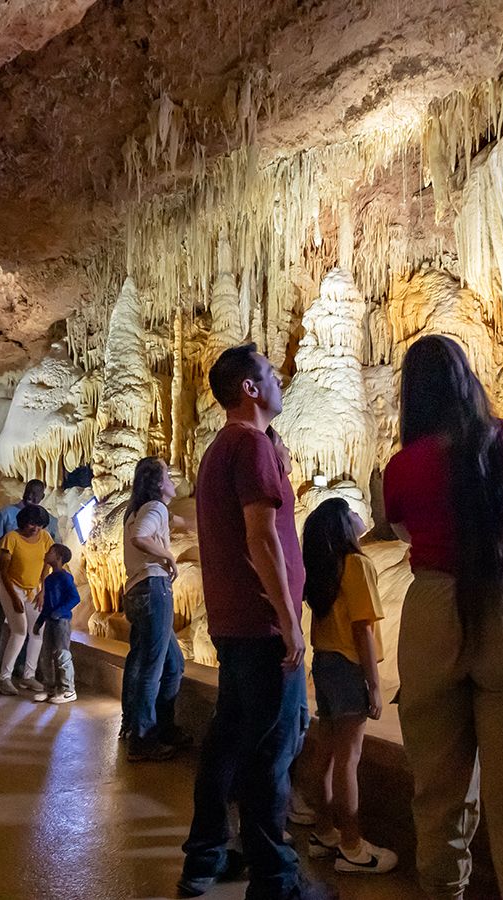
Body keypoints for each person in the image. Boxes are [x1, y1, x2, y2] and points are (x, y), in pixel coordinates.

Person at [383, 293, 503, 900]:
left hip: (435, 615)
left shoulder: (402, 469)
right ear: (468, 386)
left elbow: (409, 536)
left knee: (439, 803)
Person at [179, 344, 333, 900]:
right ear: (249, 387)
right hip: (264, 624)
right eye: (270, 373)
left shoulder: (227, 447)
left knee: (228, 740)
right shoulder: (248, 447)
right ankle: (276, 881)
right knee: (273, 752)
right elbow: (262, 537)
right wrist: (290, 621)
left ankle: (208, 854)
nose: (279, 378)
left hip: (234, 624)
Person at [301, 499, 397, 875]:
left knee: (325, 753)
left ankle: (324, 831)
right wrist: (373, 685)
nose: (361, 514)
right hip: (347, 665)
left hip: (324, 662)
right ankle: (353, 847)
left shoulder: (326, 569)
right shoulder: (356, 564)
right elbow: (363, 629)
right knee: (348, 759)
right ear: (343, 525)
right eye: (353, 511)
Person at [120, 456, 188, 760]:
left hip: (135, 591)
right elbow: (141, 538)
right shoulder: (155, 508)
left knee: (171, 664)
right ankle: (143, 738)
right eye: (168, 475)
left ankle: (147, 725)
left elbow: (174, 522)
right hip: (153, 587)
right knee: (154, 665)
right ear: (158, 483)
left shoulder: (135, 510)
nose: (172, 480)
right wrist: (169, 558)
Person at [0, 481, 58, 679]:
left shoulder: (50, 523)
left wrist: (44, 587)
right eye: (28, 491)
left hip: (32, 584)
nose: (31, 496)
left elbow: (51, 555)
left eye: (36, 493)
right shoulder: (6, 514)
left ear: (42, 496)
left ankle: (22, 667)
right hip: (4, 578)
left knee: (30, 628)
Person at [0, 504, 52, 696]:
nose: (35, 528)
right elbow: (3, 571)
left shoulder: (44, 537)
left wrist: (42, 589)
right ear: (23, 522)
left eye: (39, 525)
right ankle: (4, 677)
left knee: (37, 630)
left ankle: (28, 675)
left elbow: (47, 563)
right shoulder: (11, 539)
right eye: (31, 524)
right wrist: (14, 597)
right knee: (19, 631)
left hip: (33, 589)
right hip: (12, 586)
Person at [30, 543, 81, 705]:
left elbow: (75, 597)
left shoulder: (65, 578)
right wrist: (40, 621)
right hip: (51, 621)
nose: (46, 554)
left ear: (58, 558)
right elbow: (46, 605)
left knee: (62, 654)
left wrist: (60, 611)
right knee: (46, 656)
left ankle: (68, 689)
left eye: (50, 552)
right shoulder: (50, 579)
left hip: (62, 621)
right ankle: (50, 688)